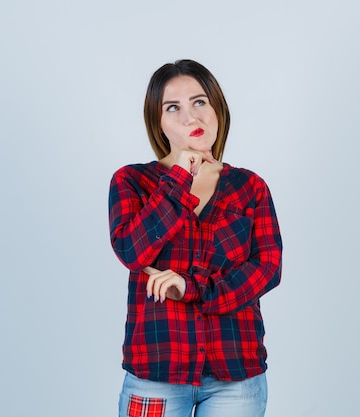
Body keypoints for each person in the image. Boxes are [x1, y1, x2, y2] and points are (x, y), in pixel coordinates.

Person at [109, 59, 283, 417]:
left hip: (235, 376)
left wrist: (192, 288)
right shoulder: (132, 182)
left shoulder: (250, 188)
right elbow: (131, 250)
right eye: (173, 108)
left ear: (217, 107)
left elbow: (268, 268)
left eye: (199, 102)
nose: (191, 118)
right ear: (158, 122)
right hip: (156, 372)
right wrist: (178, 178)